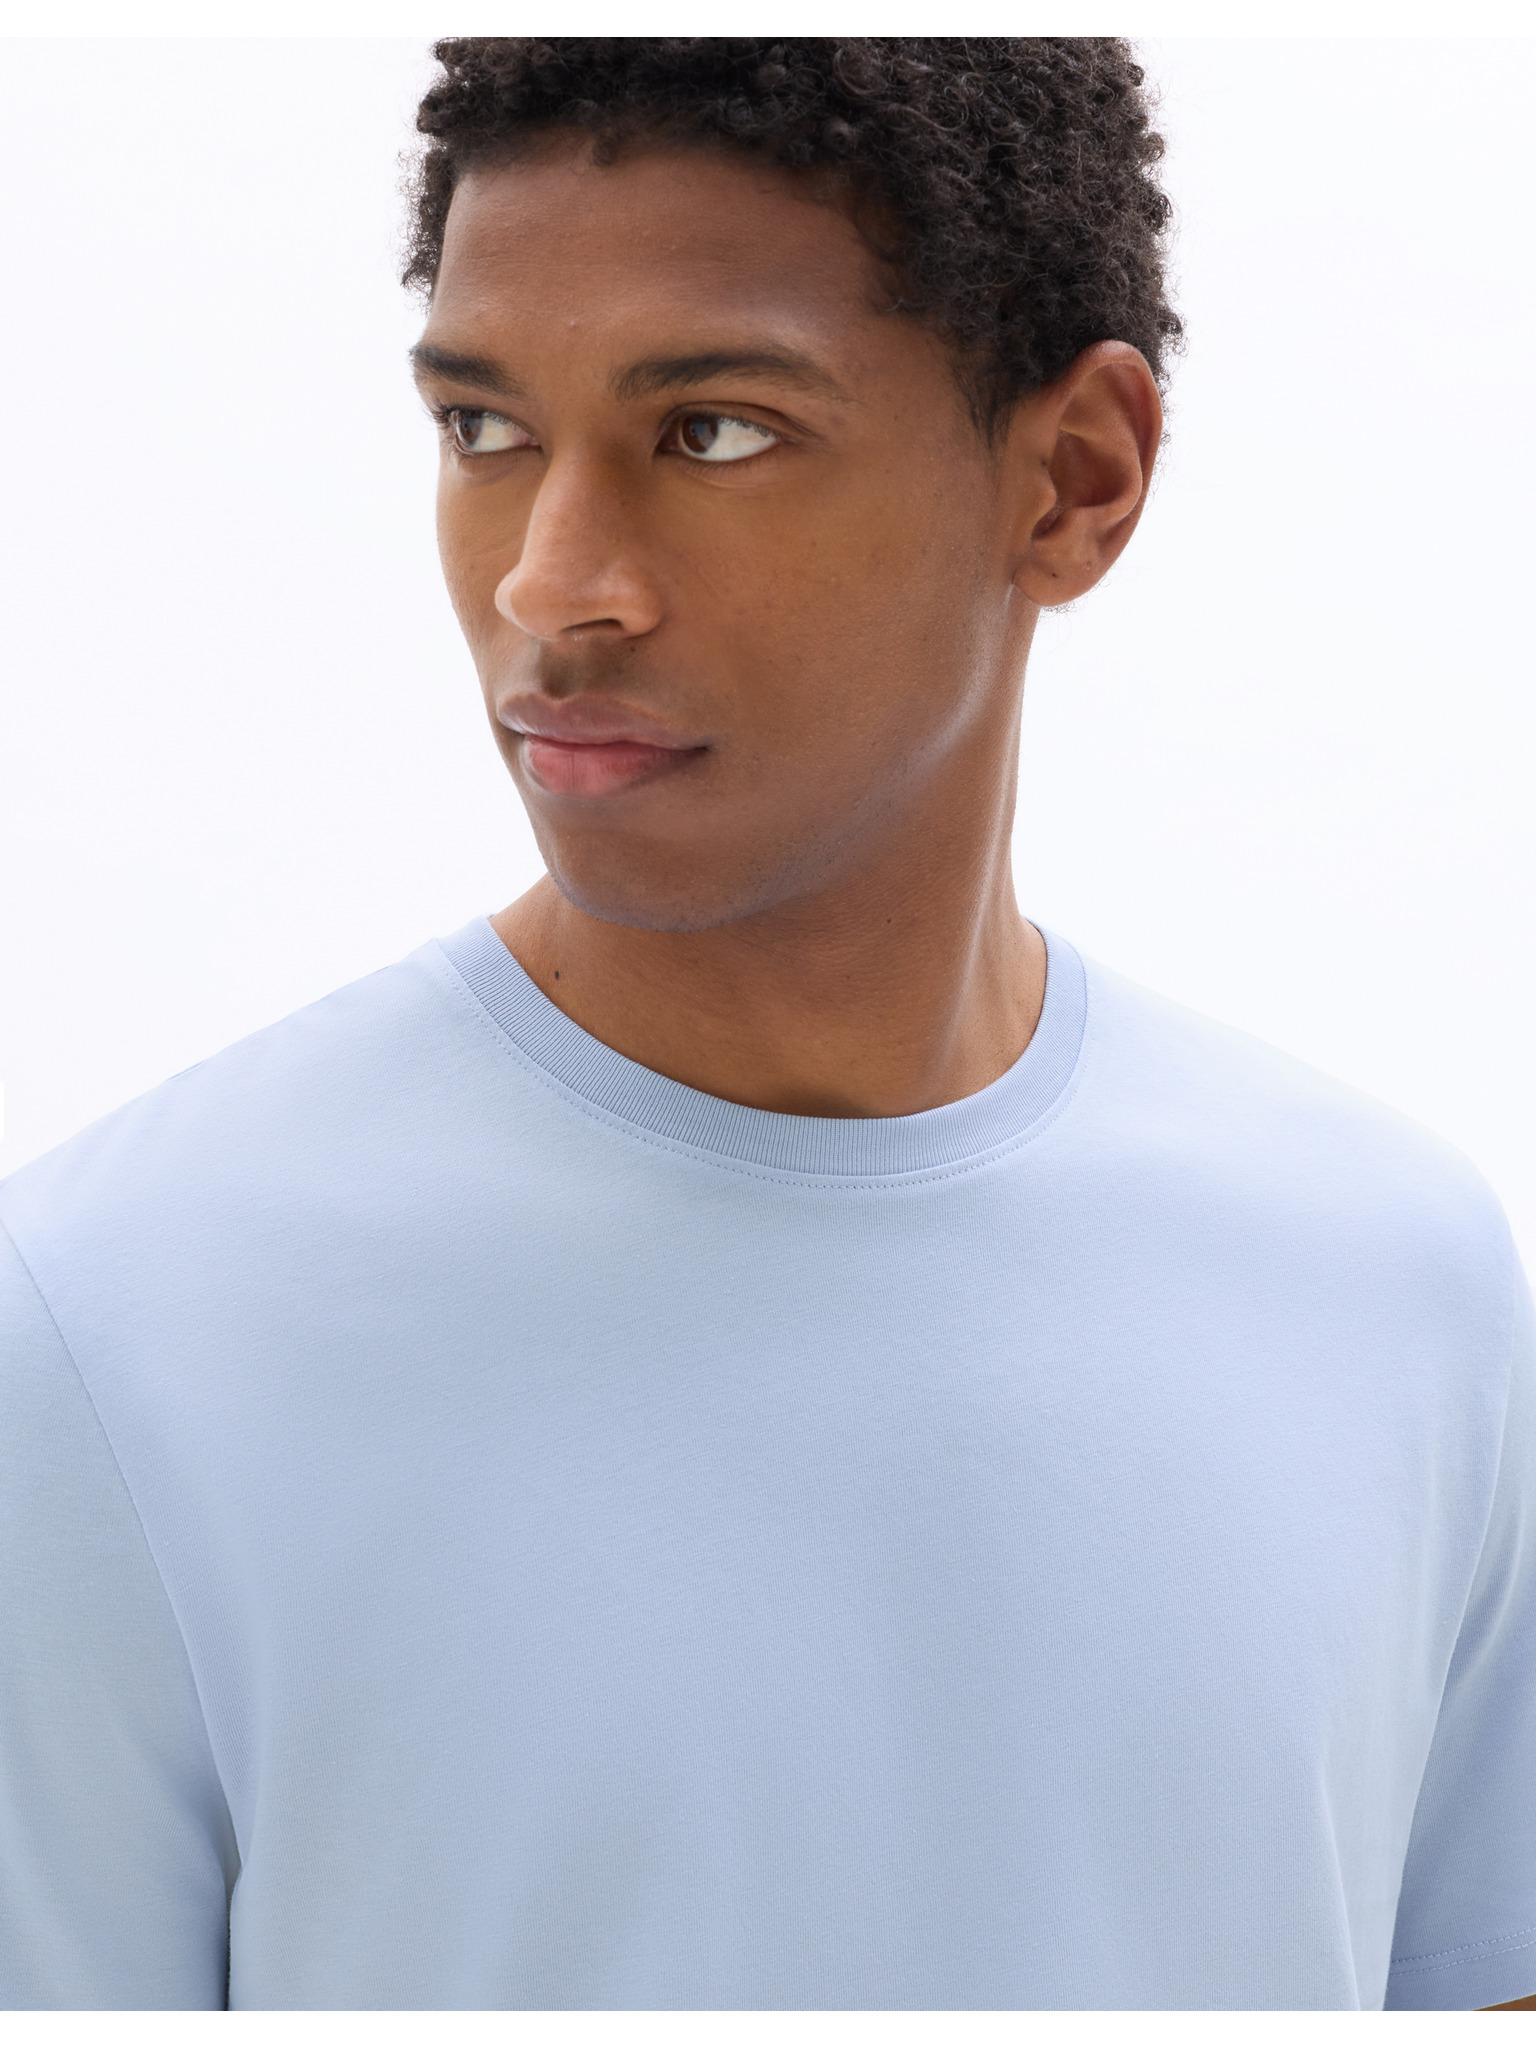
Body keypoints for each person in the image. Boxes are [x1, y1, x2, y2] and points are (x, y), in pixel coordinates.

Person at [1, 37, 1532, 2014]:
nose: (553, 584)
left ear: (1077, 478)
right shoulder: (111, 1323)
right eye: (484, 428)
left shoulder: (1396, 1288)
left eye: (712, 432)